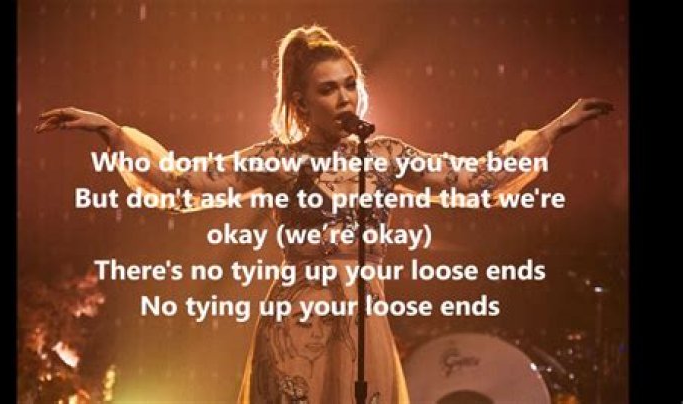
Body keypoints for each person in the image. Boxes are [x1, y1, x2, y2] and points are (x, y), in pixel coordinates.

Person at [36, 25, 612, 404]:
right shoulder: (278, 161)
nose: (345, 98)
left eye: (350, 85)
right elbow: (183, 182)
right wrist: (110, 131)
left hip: (364, 319)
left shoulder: (385, 156)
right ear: (300, 102)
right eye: (328, 89)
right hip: (297, 326)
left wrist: (553, 130)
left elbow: (473, 180)